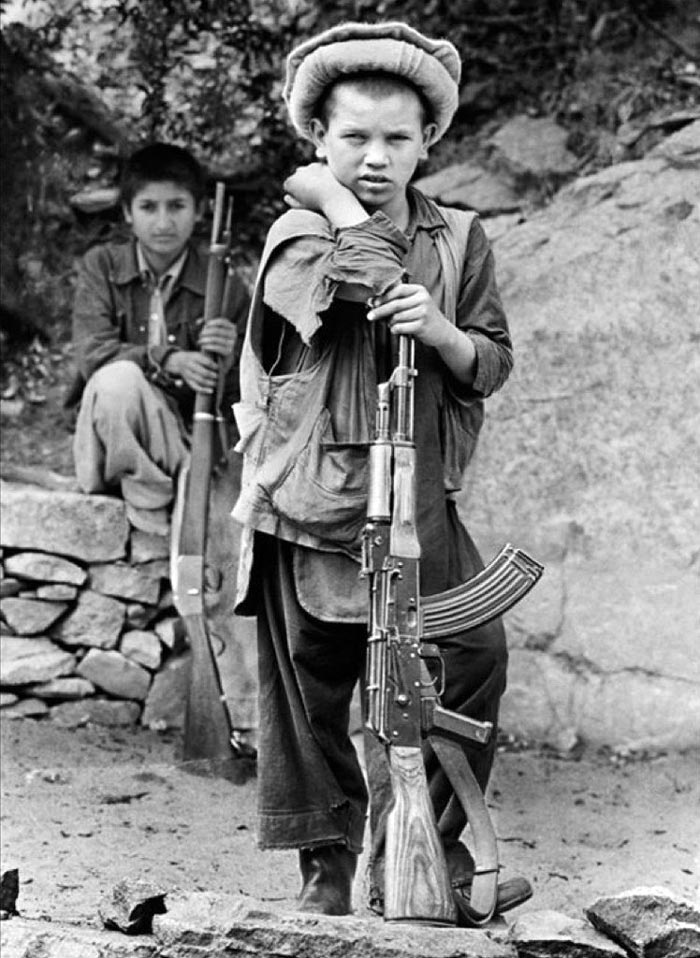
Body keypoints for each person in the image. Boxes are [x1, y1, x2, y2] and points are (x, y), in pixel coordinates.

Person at [231, 21, 531, 920]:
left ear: (429, 142)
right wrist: (338, 205)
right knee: (313, 685)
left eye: (398, 139)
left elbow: (493, 357)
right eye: (352, 138)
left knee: (473, 655)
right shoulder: (298, 229)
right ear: (317, 141)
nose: (375, 157)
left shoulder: (461, 238)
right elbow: (354, 287)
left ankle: (425, 856)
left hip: (417, 491)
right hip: (314, 495)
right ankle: (326, 875)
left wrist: (442, 331)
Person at [70, 142, 250, 535]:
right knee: (118, 381)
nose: (163, 222)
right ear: (127, 213)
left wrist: (229, 357)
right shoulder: (101, 266)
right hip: (110, 442)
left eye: (177, 206)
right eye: (149, 207)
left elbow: (243, 398)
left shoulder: (227, 286)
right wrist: (168, 359)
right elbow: (92, 354)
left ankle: (167, 501)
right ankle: (151, 506)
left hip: (184, 446)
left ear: (199, 210)